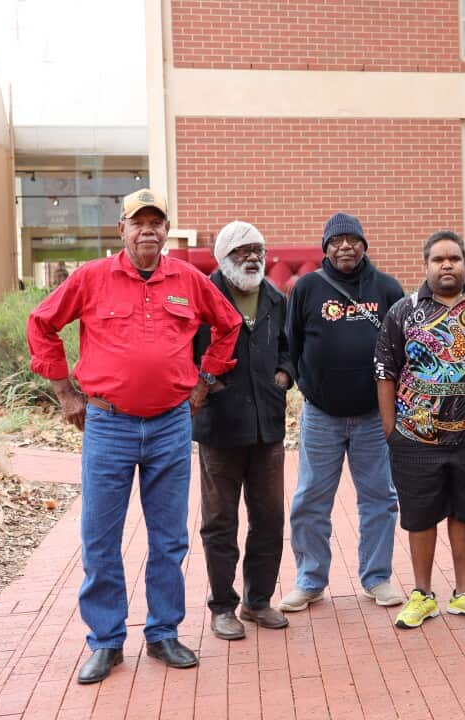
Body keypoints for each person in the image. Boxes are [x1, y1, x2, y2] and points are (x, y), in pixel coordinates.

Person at [26, 188, 242, 683]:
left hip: (170, 426)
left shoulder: (188, 280)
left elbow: (228, 325)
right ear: (121, 229)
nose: (148, 230)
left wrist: (205, 379)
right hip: (108, 426)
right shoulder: (91, 278)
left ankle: (163, 633)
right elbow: (41, 324)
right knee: (100, 538)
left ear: (166, 231)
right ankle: (106, 641)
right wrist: (65, 392)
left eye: (156, 222)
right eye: (138, 222)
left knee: (168, 539)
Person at [375, 230, 465, 629]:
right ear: (426, 265)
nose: (447, 264)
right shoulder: (403, 312)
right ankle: (422, 594)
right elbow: (384, 372)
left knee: (464, 512)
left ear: (464, 263)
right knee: (419, 516)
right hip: (414, 438)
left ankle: (464, 592)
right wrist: (391, 430)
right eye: (438, 259)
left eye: (454, 258)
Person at [281, 212, 406, 612]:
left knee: (379, 498)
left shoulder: (387, 288)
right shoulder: (307, 288)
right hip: (321, 415)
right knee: (310, 500)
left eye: (353, 240)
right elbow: (291, 344)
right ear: (326, 248)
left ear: (364, 245)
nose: (345, 247)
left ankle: (377, 577)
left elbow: (404, 349)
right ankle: (310, 580)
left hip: (373, 416)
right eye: (336, 241)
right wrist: (300, 382)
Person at [192, 220, 293, 641]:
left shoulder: (275, 298)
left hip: (267, 427)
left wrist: (285, 373)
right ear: (222, 257)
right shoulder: (202, 296)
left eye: (257, 250)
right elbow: (185, 350)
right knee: (220, 521)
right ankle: (222, 607)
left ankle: (258, 601)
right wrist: (206, 385)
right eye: (241, 251)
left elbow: (288, 347)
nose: (252, 257)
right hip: (220, 426)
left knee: (269, 518)